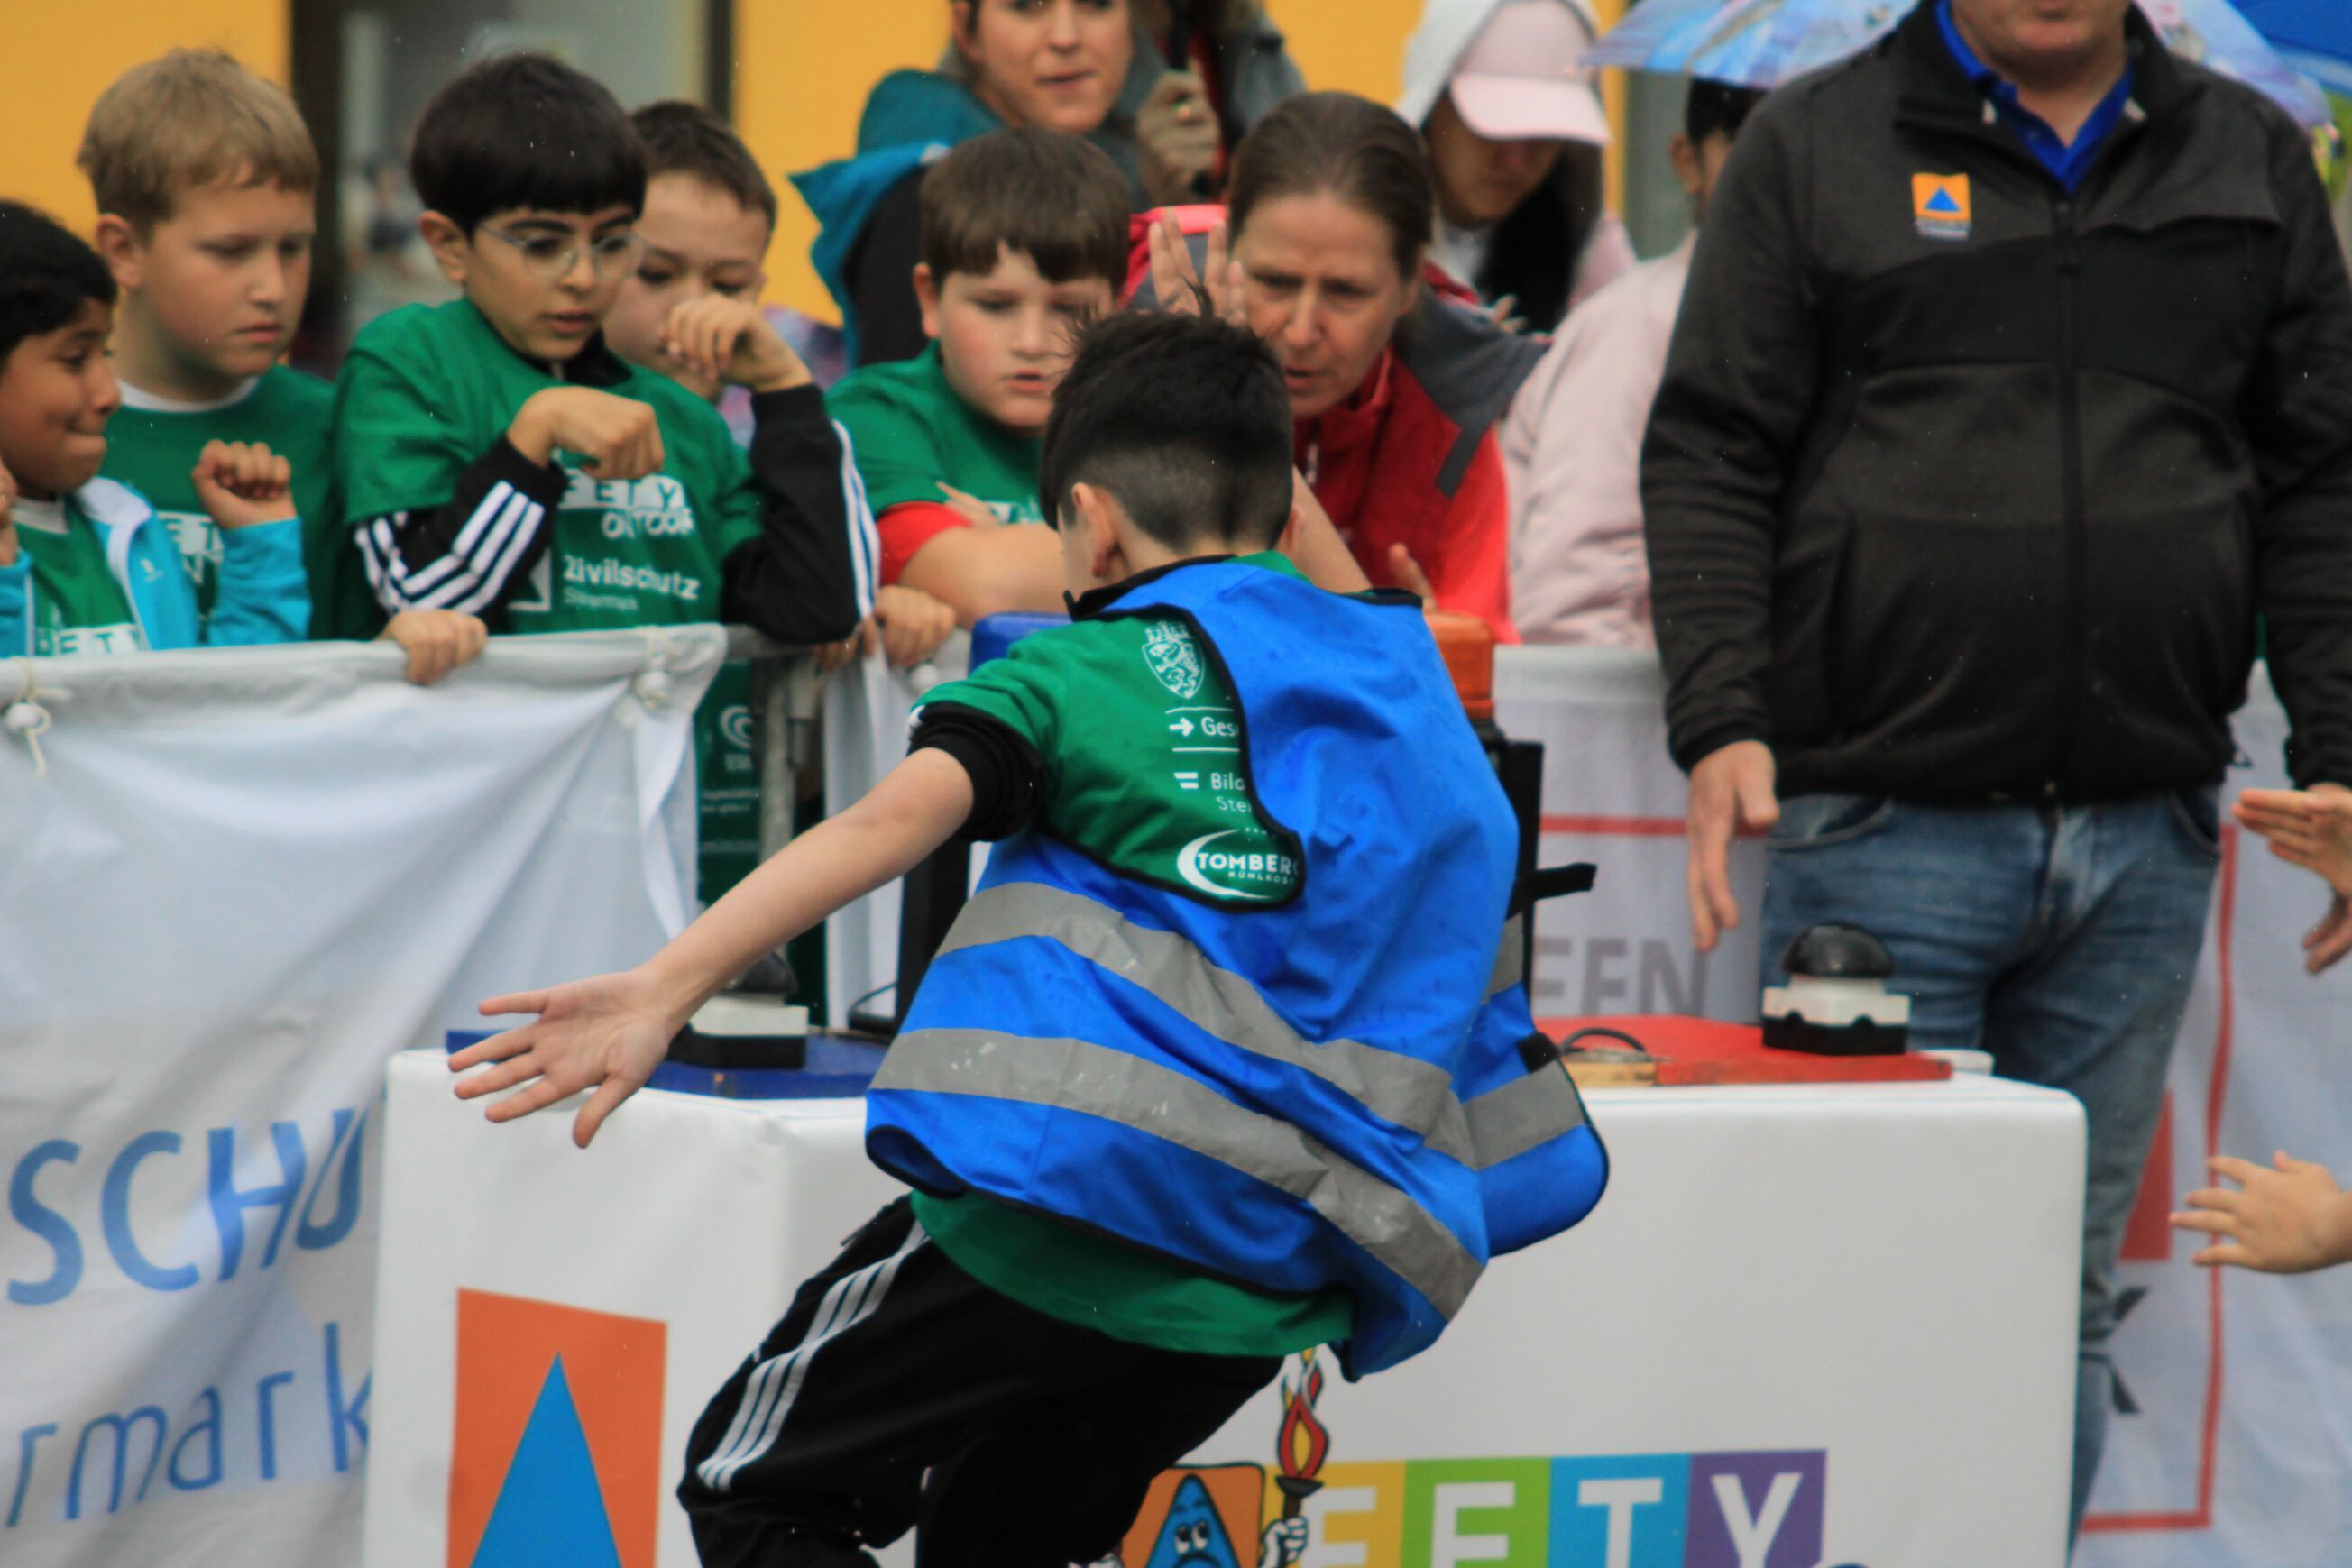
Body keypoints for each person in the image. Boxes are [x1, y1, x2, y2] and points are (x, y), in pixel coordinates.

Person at [446, 307, 1607, 1567]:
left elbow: (889, 820)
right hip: (1274, 1268)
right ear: (1283, 513)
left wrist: (662, 988)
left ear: (1091, 525)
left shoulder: (1079, 670)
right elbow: (1319, 583)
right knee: (998, 1540)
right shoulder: (1410, 686)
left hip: (1063, 1203)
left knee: (756, 1484)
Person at [1641, 0, 2352, 1536]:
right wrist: (1720, 713)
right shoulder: (1812, 143)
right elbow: (1710, 444)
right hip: (1872, 827)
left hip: (2147, 835)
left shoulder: (2247, 157)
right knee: (1857, 1290)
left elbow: (2317, 480)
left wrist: (2341, 748)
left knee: (2057, 1303)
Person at [333, 54, 863, 903]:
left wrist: (785, 392)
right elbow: (421, 594)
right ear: (449, 246)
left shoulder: (682, 418)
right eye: (543, 245)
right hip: (463, 849)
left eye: (613, 244)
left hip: (642, 850)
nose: (582, 277)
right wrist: (534, 440)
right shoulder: (409, 361)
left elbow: (814, 610)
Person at [1138, 92, 1545, 638]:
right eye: (1274, 282)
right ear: (1229, 250)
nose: (1302, 331)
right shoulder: (1125, 353)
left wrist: (1445, 653)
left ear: (1411, 284)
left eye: (1346, 292)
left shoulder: (1456, 407)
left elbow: (1481, 659)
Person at [76, 48, 436, 653]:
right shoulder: (44, 432)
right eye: (231, 251)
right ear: (124, 251)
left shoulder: (342, 430)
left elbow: (359, 673)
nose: (272, 287)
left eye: (292, 248)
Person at [609, 99, 956, 672]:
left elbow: (824, 606)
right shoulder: (527, 411)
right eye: (656, 274)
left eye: (728, 285)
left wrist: (785, 386)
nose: (694, 307)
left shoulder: (753, 439)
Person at [798, 0, 1303, 366]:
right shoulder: (917, 187)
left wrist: (1169, 205)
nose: (1066, 37)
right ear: (965, 29)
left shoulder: (1126, 159)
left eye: (1096, 4)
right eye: (1027, 6)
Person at [825, 128, 1128, 625]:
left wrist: (1010, 545)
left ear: (1115, 309)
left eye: (1068, 309)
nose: (1030, 341)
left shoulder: (1136, 429)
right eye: (995, 305)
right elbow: (984, 587)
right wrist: (1149, 559)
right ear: (929, 299)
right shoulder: (875, 413)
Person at [1503, 78, 1761, 646]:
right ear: (1687, 162)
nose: (1791, 172)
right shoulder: (1641, 323)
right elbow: (1575, 611)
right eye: (1756, 142)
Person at [0, 201, 308, 659]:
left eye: (105, 353)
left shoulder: (130, 527)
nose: (109, 394)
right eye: (75, 359)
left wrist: (260, 555)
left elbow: (204, 700)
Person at [1396, 0, 1635, 333]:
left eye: (1545, 134)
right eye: (1493, 126)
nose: (1515, 160)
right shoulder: (1364, 240)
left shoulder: (1596, 266)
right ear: (1432, 102)